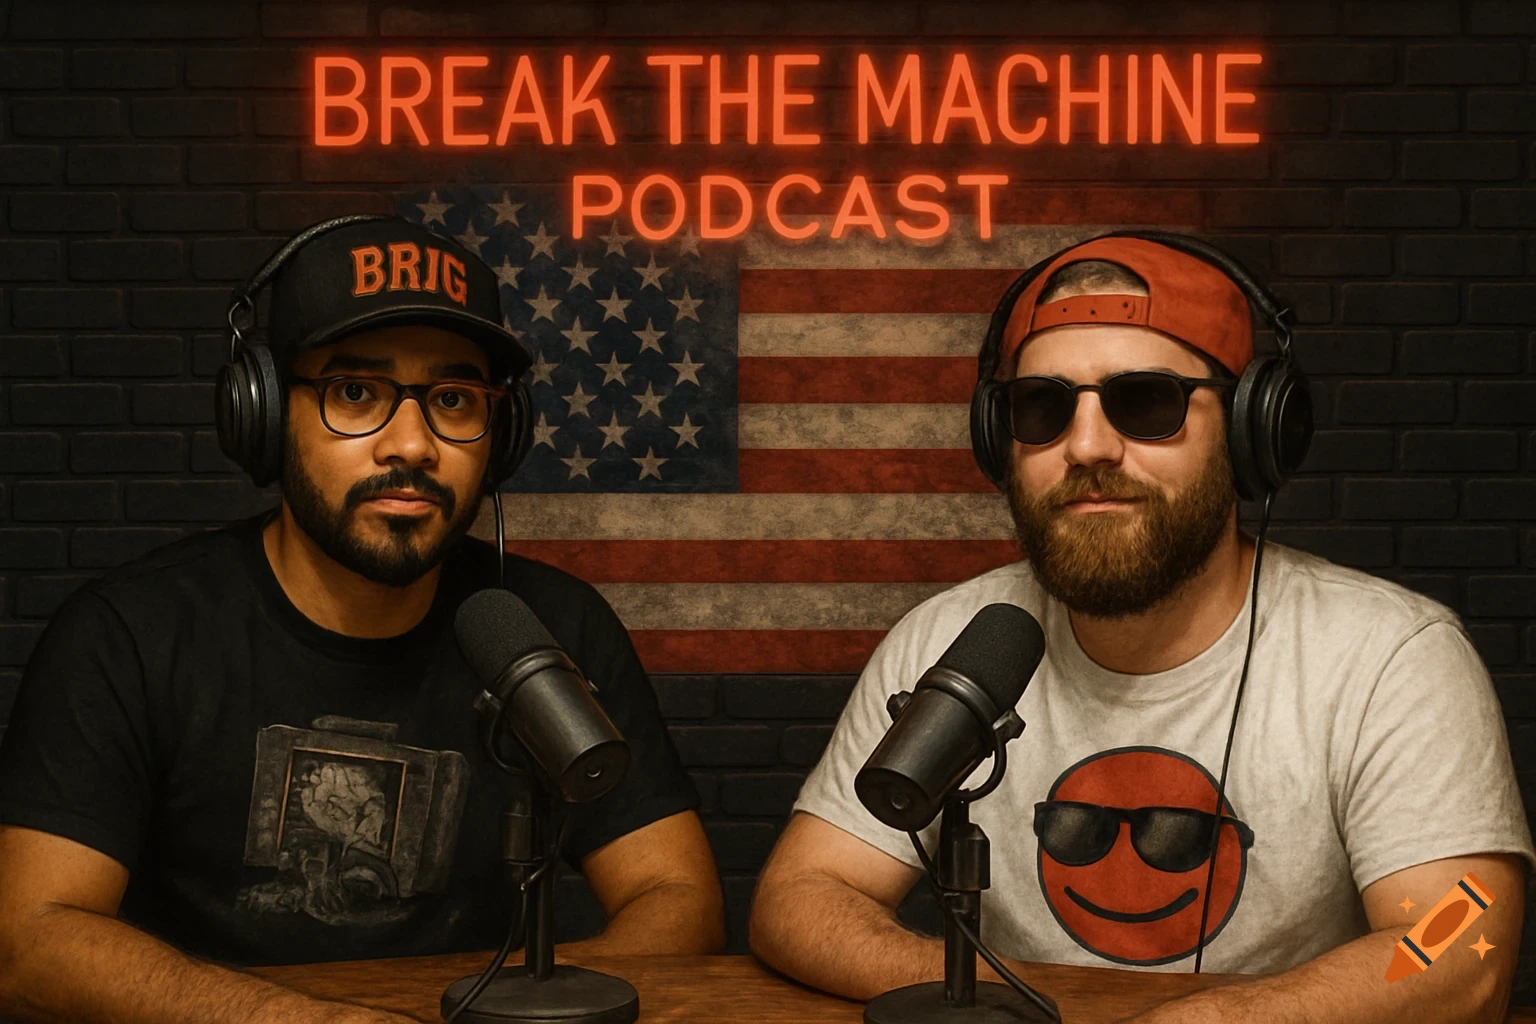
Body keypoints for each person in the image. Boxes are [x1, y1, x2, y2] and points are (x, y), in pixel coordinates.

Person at [748, 236, 1535, 1023]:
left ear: (1250, 429)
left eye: (1147, 402)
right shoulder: (952, 642)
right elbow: (800, 896)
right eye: (1043, 408)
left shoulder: (1392, 657)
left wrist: (1211, 1022)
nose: (1087, 446)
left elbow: (1460, 935)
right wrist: (1015, 1002)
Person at [0, 216, 725, 1024]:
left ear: (503, 434)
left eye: (454, 399)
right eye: (355, 392)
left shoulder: (548, 626)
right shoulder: (129, 636)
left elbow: (678, 896)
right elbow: (29, 943)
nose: (411, 445)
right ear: (263, 411)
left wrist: (520, 1015)